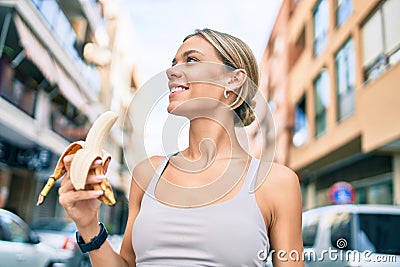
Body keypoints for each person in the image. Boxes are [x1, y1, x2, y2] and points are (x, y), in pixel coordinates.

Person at [58, 28, 304, 267]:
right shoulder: (148, 173)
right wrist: (88, 225)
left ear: (233, 80)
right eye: (174, 62)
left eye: (192, 59)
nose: (172, 70)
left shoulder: (276, 183)